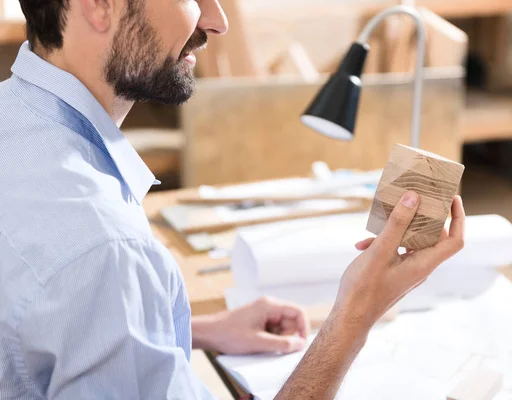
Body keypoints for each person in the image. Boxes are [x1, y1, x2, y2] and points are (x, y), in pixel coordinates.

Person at [0, 1, 465, 399]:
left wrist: (187, 328)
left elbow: (40, 326)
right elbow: (89, 273)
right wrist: (355, 316)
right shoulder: (106, 251)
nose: (217, 21)